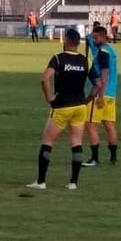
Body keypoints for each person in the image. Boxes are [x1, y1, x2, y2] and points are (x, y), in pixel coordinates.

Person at [27, 28, 100, 191]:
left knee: (47, 142)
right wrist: (87, 99)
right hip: (80, 107)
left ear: (66, 41)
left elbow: (44, 79)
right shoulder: (85, 61)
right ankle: (73, 182)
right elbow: (98, 84)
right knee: (76, 142)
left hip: (62, 106)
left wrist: (49, 97)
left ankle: (41, 181)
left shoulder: (58, 59)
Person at [83, 26, 119, 167]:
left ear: (103, 37)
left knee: (90, 124)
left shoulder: (103, 52)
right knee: (109, 125)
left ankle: (95, 159)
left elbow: (105, 73)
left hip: (101, 93)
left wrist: (100, 95)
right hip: (112, 93)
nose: (94, 40)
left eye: (96, 37)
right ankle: (113, 158)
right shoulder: (111, 50)